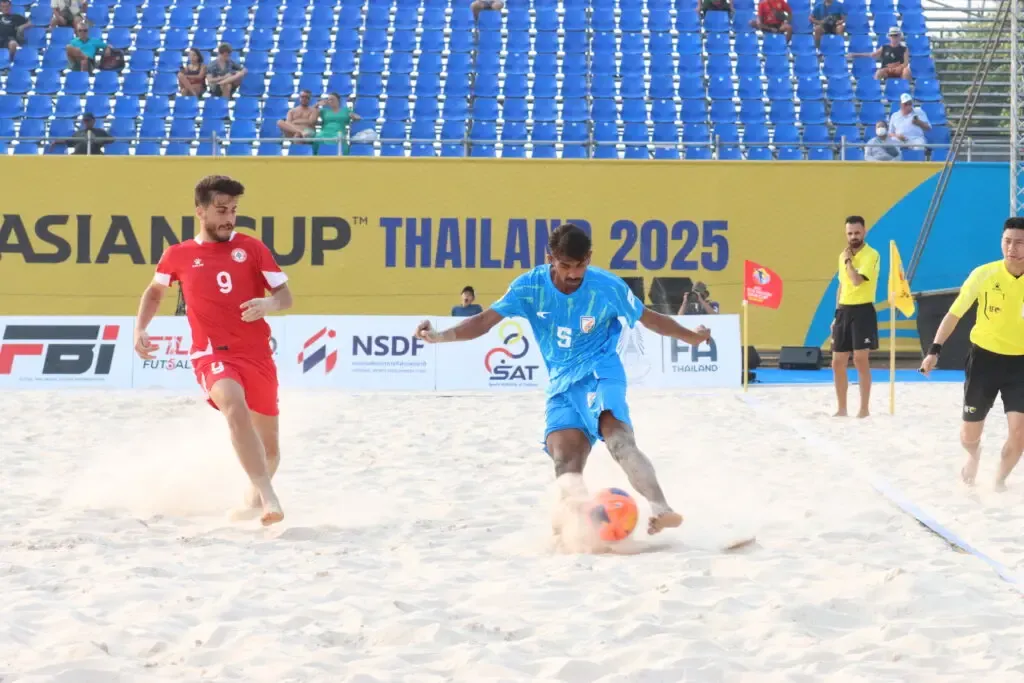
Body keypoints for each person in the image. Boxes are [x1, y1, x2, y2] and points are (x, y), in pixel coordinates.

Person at [414, 224, 711, 544]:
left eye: (580, 265)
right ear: (550, 259)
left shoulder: (606, 286)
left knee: (618, 440)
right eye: (566, 265)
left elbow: (650, 318)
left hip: (600, 370)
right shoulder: (529, 287)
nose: (574, 273)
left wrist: (691, 337)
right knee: (565, 461)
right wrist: (440, 336)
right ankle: (578, 527)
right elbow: (483, 322)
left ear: (590, 258)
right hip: (561, 384)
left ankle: (659, 506)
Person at [132, 175, 292, 526]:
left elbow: (285, 297)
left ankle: (253, 499)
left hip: (257, 354)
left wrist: (267, 305)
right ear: (200, 212)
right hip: (212, 354)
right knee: (233, 406)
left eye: (234, 210)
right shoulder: (179, 254)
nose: (229, 217)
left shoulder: (252, 248)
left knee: (272, 453)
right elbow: (155, 292)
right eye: (221, 210)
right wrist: (141, 328)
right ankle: (269, 497)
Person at [920, 217, 1024, 490]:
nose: (1012, 248)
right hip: (984, 360)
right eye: (1007, 241)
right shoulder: (984, 274)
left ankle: (999, 480)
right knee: (969, 435)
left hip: (1021, 365)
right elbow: (954, 314)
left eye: (1019, 243)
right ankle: (974, 456)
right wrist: (934, 350)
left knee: (1019, 433)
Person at [831, 216, 880, 418]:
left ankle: (864, 409)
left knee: (860, 359)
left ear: (864, 231)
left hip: (862, 310)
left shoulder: (871, 255)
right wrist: (836, 315)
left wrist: (848, 261)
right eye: (850, 233)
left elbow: (856, 280)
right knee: (837, 361)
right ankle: (842, 408)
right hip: (844, 310)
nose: (853, 237)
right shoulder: (843, 256)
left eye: (857, 232)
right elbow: (842, 285)